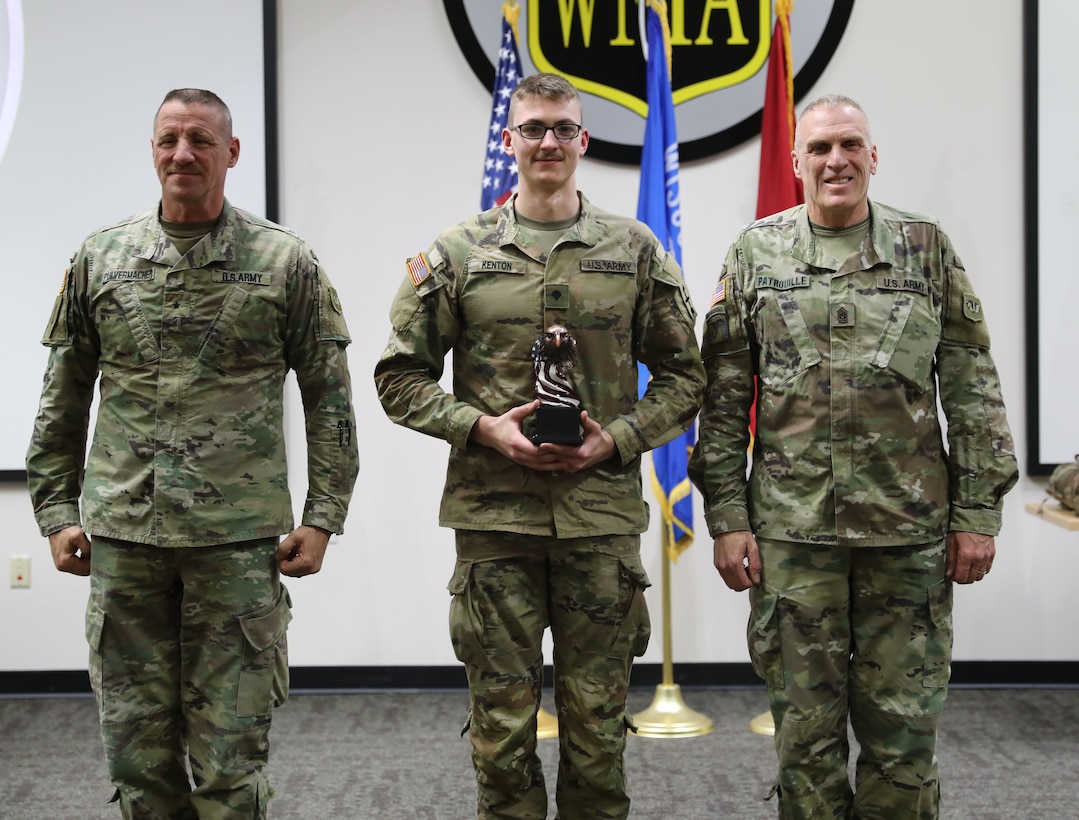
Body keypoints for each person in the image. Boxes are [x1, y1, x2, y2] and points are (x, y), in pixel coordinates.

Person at [373, 72, 704, 819]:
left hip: (599, 524)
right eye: (532, 128)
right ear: (508, 140)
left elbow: (687, 378)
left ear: (583, 141)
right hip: (495, 526)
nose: (547, 142)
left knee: (596, 737)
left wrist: (614, 442)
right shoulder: (457, 253)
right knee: (500, 735)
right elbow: (398, 378)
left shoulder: (633, 248)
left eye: (561, 128)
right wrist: (481, 428)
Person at [25, 88, 358, 818]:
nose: (183, 154)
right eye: (169, 139)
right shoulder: (100, 259)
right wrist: (55, 510)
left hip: (233, 549)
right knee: (137, 758)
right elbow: (64, 396)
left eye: (201, 140)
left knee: (230, 763)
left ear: (230, 152)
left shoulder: (284, 262)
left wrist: (323, 516)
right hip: (124, 543)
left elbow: (328, 399)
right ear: (152, 149)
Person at [688, 94, 1018, 819]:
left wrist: (977, 512)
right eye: (818, 149)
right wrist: (725, 517)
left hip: (906, 538)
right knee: (804, 745)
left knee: (902, 743)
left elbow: (971, 386)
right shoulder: (754, 254)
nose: (834, 160)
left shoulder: (924, 248)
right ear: (798, 161)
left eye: (849, 145)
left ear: (873, 156)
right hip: (791, 540)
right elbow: (719, 401)